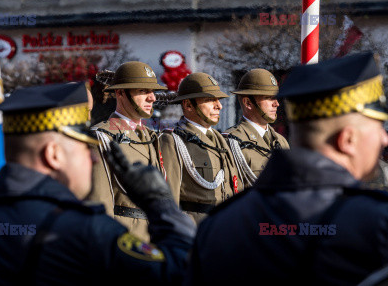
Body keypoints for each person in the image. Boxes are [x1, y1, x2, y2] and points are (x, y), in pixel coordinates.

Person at [0, 82, 195, 286]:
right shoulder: (87, 232)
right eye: (83, 149)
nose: (92, 159)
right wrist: (160, 203)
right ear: (52, 155)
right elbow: (185, 271)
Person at [184, 52, 388, 285]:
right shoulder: (376, 223)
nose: (384, 139)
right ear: (347, 140)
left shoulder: (217, 226)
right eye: (378, 128)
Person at [88, 61, 167, 241]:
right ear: (120, 92)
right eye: (143, 91)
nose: (152, 98)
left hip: (156, 236)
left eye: (153, 91)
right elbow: (101, 201)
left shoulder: (152, 137)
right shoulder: (102, 138)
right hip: (126, 238)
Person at [159, 72, 241, 224]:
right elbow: (169, 199)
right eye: (210, 100)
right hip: (195, 229)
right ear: (188, 105)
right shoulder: (172, 141)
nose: (219, 106)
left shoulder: (221, 140)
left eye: (218, 100)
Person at [223, 68, 289, 187]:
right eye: (269, 98)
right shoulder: (231, 141)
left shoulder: (281, 141)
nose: (276, 104)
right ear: (248, 103)